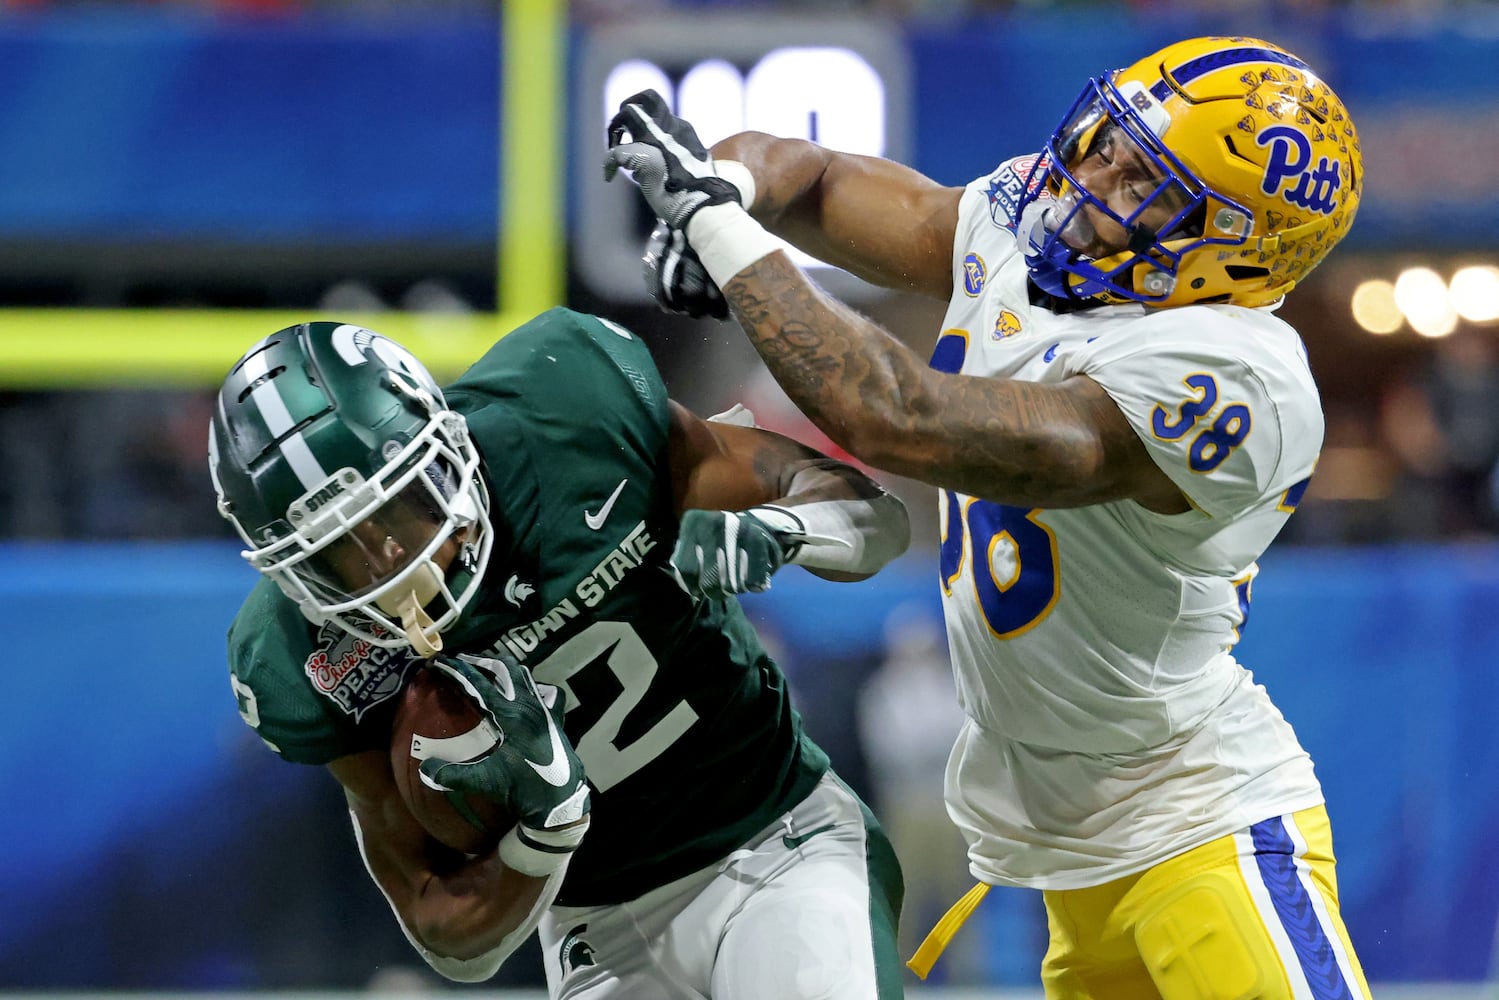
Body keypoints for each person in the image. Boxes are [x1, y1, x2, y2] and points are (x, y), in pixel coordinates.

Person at [606, 34, 1373, 999]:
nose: (1095, 180)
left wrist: (724, 238)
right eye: (1109, 143)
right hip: (1064, 846)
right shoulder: (1028, 221)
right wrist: (724, 181)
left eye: (1148, 186)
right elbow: (816, 177)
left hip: (1196, 824)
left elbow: (902, 419)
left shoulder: (1234, 375)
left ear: (1234, 253)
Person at [208, 309, 911, 998]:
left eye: (396, 510)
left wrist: (782, 528)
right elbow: (444, 932)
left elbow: (879, 518)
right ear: (289, 571)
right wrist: (546, 828)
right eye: (338, 557)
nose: (391, 563)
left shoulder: (563, 416)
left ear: (440, 440)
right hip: (600, 926)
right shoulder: (303, 655)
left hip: (774, 836)